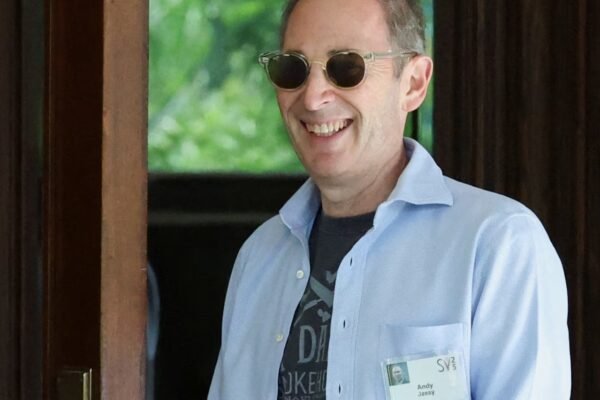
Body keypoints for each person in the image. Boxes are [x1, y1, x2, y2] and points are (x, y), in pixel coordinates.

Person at [208, 0, 571, 398]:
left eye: (346, 67)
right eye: (293, 69)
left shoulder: (497, 245)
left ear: (413, 83)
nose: (312, 98)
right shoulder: (259, 259)